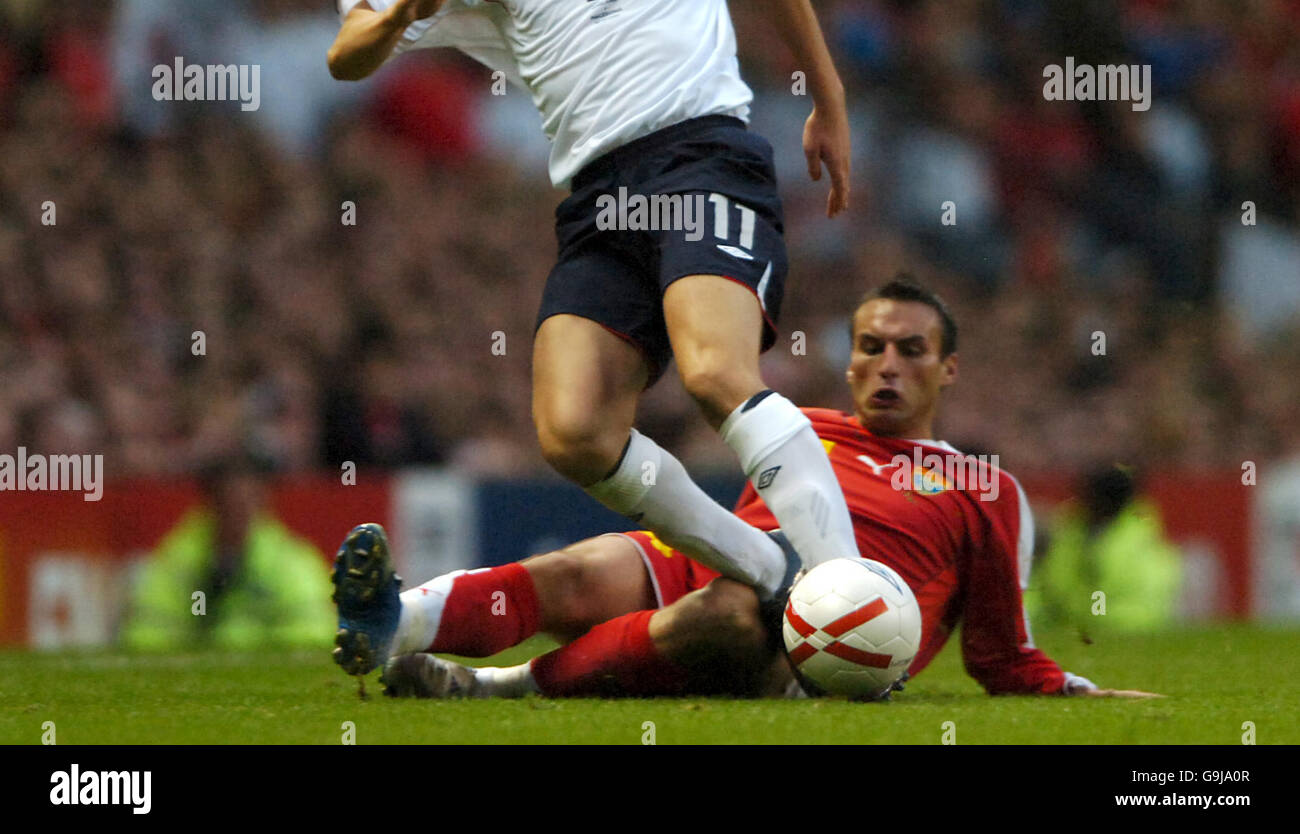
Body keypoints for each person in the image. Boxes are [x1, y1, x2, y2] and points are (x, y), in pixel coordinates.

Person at [327, 0, 859, 675]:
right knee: (572, 432)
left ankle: (848, 599)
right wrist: (399, 17)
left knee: (713, 372)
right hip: (599, 201)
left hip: (704, 158)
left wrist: (828, 99)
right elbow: (347, 51)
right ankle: (778, 576)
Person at [348, 275, 1159, 700]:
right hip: (732, 564)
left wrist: (1084, 691)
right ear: (848, 360)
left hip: (823, 643)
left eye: (912, 350)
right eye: (871, 345)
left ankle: (492, 691)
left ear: (949, 368)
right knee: (585, 568)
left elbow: (1001, 655)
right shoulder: (795, 429)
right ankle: (396, 620)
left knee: (730, 617)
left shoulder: (984, 487)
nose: (887, 364)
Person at [122, 452, 335, 652]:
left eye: (245, 503)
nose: (238, 513)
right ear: (211, 504)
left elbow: (314, 633)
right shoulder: (180, 561)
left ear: (263, 502)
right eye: (229, 503)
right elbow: (147, 632)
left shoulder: (291, 563)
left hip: (261, 669)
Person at [1026, 465, 1182, 635]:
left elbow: (1098, 601)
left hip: (1119, 629)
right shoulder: (1075, 530)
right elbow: (1054, 588)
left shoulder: (1118, 545)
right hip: (1077, 624)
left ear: (1101, 500)